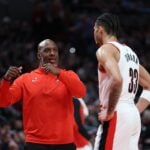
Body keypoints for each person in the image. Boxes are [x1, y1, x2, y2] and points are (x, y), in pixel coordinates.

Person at [0, 39, 86, 150]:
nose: (52, 53)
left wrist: (59, 73)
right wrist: (6, 80)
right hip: (35, 143)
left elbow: (80, 92)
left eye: (55, 50)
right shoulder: (26, 79)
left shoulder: (68, 75)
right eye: (47, 50)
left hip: (64, 143)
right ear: (39, 55)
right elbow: (3, 101)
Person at [93, 13, 150, 150]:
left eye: (94, 30)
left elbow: (117, 79)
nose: (93, 33)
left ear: (100, 29)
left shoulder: (104, 50)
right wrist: (135, 109)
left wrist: (110, 111)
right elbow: (149, 84)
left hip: (117, 112)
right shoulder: (130, 53)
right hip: (132, 115)